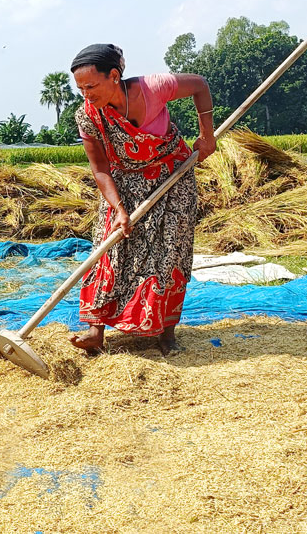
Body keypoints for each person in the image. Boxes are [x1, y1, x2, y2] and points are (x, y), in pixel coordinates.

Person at [69, 44, 217, 355]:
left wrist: (207, 135)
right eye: (80, 88)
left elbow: (200, 86)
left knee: (170, 252)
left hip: (172, 177)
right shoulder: (88, 116)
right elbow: (100, 170)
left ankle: (166, 334)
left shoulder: (153, 88)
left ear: (114, 75)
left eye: (91, 86)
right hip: (124, 183)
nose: (86, 94)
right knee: (108, 250)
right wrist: (119, 209)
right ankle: (95, 332)